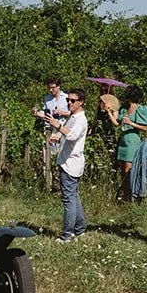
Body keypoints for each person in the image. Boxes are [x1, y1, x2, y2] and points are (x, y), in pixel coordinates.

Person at [49, 90, 88, 242]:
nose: (69, 103)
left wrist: (57, 125)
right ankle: (79, 229)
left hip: (71, 163)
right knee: (74, 196)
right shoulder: (73, 117)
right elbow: (66, 134)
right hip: (69, 161)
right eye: (68, 100)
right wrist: (57, 136)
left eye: (73, 101)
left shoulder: (80, 119)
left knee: (69, 200)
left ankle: (67, 234)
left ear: (81, 102)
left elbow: (72, 135)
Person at [109, 90, 147, 201]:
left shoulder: (141, 109)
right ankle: (125, 195)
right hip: (122, 141)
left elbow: (145, 128)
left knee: (129, 171)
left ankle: (132, 196)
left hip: (132, 141)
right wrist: (109, 112)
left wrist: (131, 123)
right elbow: (117, 123)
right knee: (122, 171)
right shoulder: (124, 108)